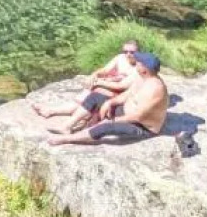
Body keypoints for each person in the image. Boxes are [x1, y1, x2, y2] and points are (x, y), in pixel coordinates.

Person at [40, 52, 169, 146]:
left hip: (142, 127)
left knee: (106, 127)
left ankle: (67, 139)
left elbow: (138, 117)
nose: (136, 63)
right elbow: (127, 94)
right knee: (96, 97)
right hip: (127, 113)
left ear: (144, 69)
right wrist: (110, 102)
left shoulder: (155, 90)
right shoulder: (142, 78)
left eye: (139, 63)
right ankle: (66, 127)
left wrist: (111, 121)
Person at [32, 41, 139, 132]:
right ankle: (51, 111)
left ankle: (53, 112)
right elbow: (105, 70)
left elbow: (121, 86)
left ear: (138, 52)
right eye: (125, 51)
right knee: (89, 92)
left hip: (123, 94)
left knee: (94, 91)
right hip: (112, 86)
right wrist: (95, 75)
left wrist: (99, 82)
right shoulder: (120, 58)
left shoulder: (139, 67)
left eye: (132, 52)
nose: (128, 54)